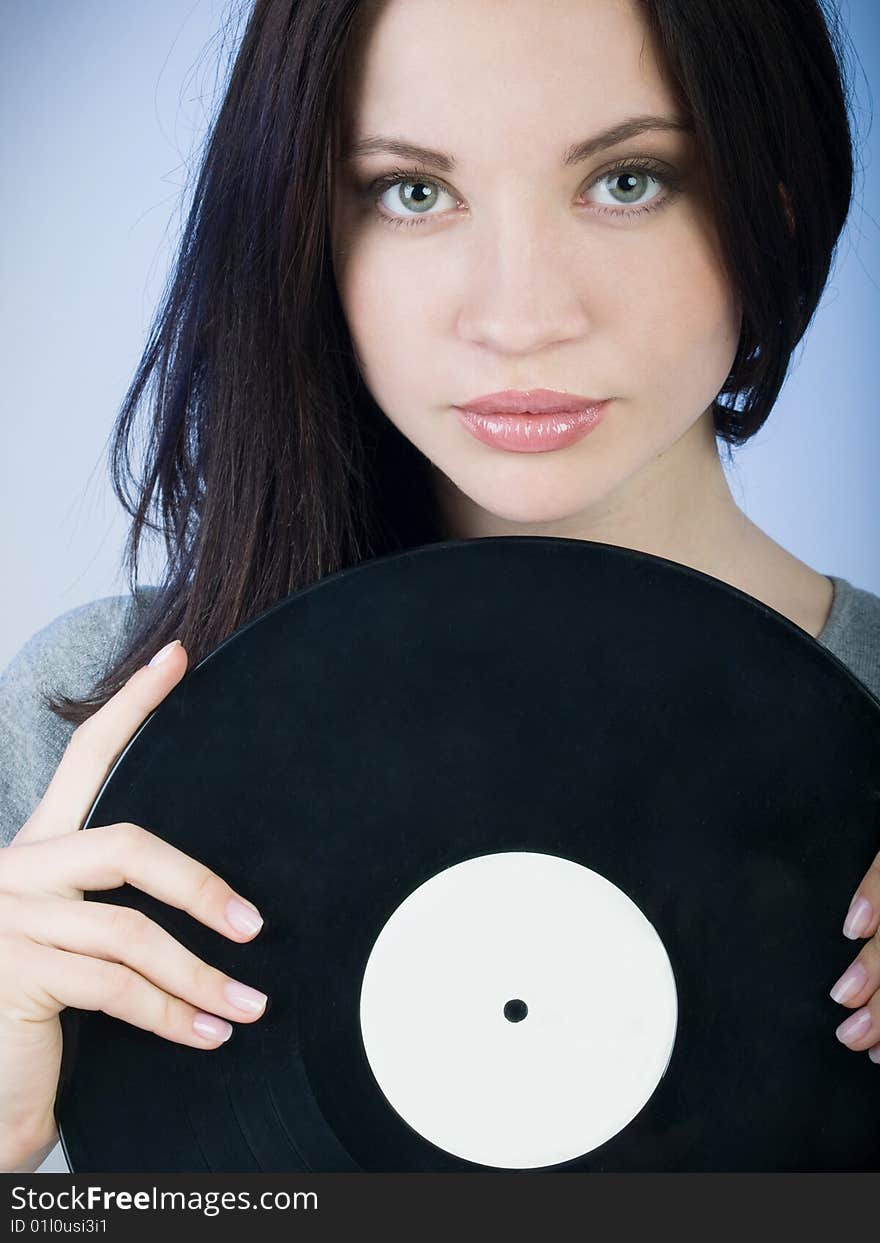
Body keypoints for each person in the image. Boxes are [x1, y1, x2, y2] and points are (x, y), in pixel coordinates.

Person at [0, 0, 878, 1174]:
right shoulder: (88, 728)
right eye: (412, 191)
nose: (518, 316)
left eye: (628, 180)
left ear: (776, 204)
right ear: (308, 228)